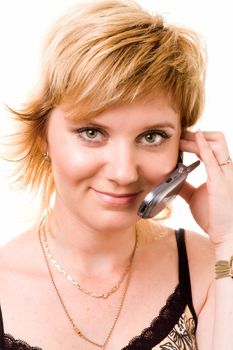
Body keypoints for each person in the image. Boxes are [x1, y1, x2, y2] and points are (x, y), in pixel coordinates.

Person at [0, 0, 232, 349]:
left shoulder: (211, 268)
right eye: (92, 133)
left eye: (152, 136)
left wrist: (227, 239)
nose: (124, 173)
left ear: (183, 148)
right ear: (42, 135)